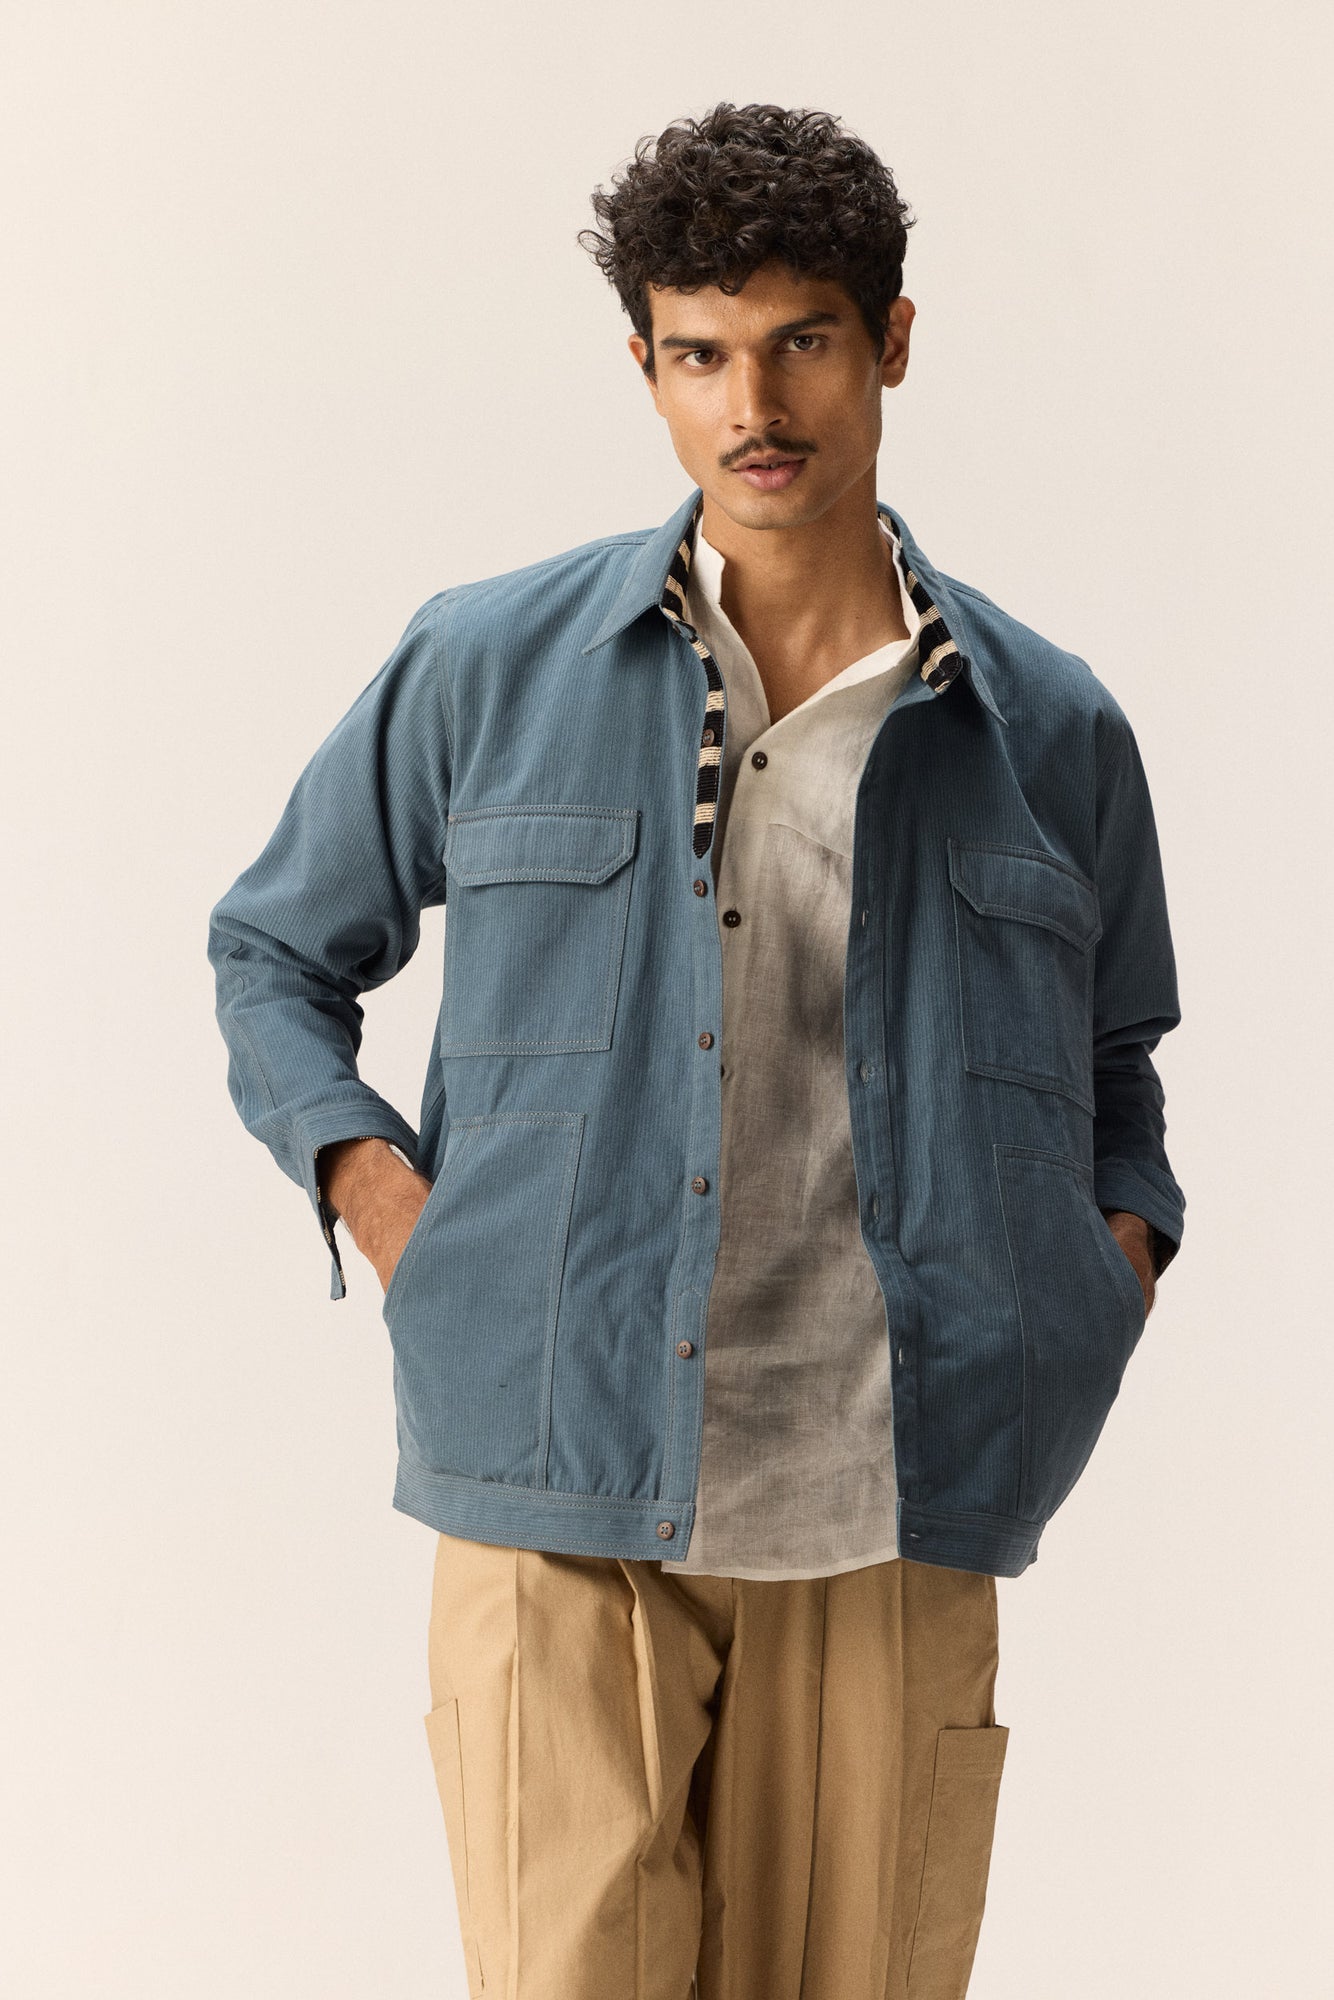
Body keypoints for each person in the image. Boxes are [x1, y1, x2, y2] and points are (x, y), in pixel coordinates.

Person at [208, 101, 1185, 2000]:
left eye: (801, 339)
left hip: (896, 1492)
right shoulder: (487, 663)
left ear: (891, 340)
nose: (754, 403)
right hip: (554, 1458)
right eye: (699, 352)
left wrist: (1102, 1278)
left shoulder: (1047, 727)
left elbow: (1116, 1062)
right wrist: (389, 1203)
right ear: (645, 364)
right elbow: (272, 951)